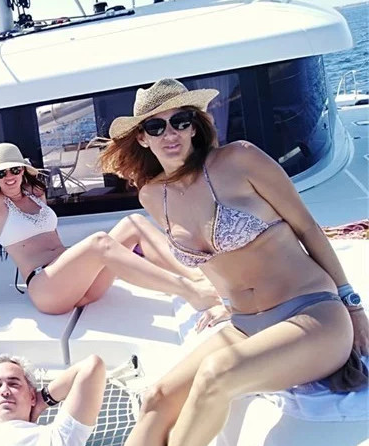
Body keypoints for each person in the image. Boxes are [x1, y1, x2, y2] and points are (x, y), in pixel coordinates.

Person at [98, 78, 369, 446]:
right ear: (142, 138)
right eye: (156, 126)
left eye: (180, 121)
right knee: (156, 399)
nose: (170, 133)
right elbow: (214, 261)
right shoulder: (152, 195)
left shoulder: (239, 159)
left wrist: (352, 303)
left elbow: (306, 227)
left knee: (216, 374)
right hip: (245, 325)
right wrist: (224, 301)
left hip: (312, 315)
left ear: (194, 126)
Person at [0, 142, 219, 317]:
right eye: (1, 173)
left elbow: (53, 240)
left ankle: (199, 279)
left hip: (79, 284)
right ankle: (191, 292)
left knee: (133, 222)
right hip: (47, 288)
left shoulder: (36, 192)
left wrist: (80, 265)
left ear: (23, 170)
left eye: (14, 170)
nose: (9, 177)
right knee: (99, 241)